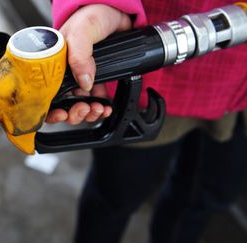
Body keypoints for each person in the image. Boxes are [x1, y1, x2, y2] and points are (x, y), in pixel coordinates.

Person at [47, 1, 247, 243]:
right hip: (149, 76)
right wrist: (93, 5)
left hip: (238, 95)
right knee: (113, 197)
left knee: (207, 198)